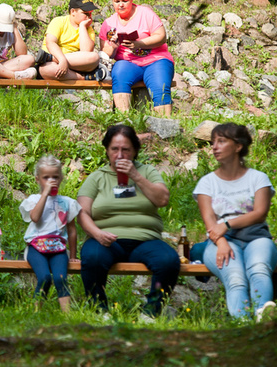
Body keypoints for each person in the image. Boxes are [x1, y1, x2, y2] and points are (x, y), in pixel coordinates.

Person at [77, 125, 179, 318]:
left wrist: (136, 176)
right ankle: (99, 311)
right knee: (92, 257)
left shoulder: (147, 172)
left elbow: (162, 200)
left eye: (126, 150)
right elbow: (82, 212)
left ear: (135, 151)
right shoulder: (97, 177)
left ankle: (150, 313)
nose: (120, 155)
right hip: (107, 240)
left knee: (168, 261)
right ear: (107, 151)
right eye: (115, 149)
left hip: (146, 240)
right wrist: (97, 234)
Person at [193, 123, 277, 321]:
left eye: (221, 141)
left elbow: (260, 213)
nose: (214, 147)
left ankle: (263, 316)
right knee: (235, 278)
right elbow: (209, 222)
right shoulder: (207, 183)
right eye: (213, 142)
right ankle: (242, 324)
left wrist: (227, 224)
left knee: (258, 268)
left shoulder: (258, 178)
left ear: (238, 146)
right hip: (220, 240)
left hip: (257, 237)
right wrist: (221, 241)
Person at [99, 0, 175, 115]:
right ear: (112, 1)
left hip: (156, 60)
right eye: (117, 2)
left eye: (125, 0)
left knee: (160, 86)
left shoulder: (145, 13)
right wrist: (113, 46)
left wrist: (140, 44)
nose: (121, 5)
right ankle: (125, 120)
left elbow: (161, 36)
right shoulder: (109, 23)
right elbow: (105, 53)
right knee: (119, 74)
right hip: (127, 63)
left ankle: (166, 125)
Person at [20, 155, 81, 312]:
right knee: (45, 277)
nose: (51, 180)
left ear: (61, 178)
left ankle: (68, 316)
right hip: (36, 247)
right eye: (46, 177)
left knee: (61, 278)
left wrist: (73, 255)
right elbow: (34, 217)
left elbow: (72, 230)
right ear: (37, 179)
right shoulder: (34, 200)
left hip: (58, 247)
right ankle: (36, 312)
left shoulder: (67, 202)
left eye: (55, 177)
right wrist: (45, 195)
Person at [34, 0, 107, 81]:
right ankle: (84, 78)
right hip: (54, 63)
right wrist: (62, 60)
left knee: (94, 57)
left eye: (90, 14)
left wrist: (82, 27)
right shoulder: (59, 21)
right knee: (45, 70)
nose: (89, 17)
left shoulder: (88, 29)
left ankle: (51, 58)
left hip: (73, 64)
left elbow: (86, 52)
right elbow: (50, 43)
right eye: (85, 13)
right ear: (73, 12)